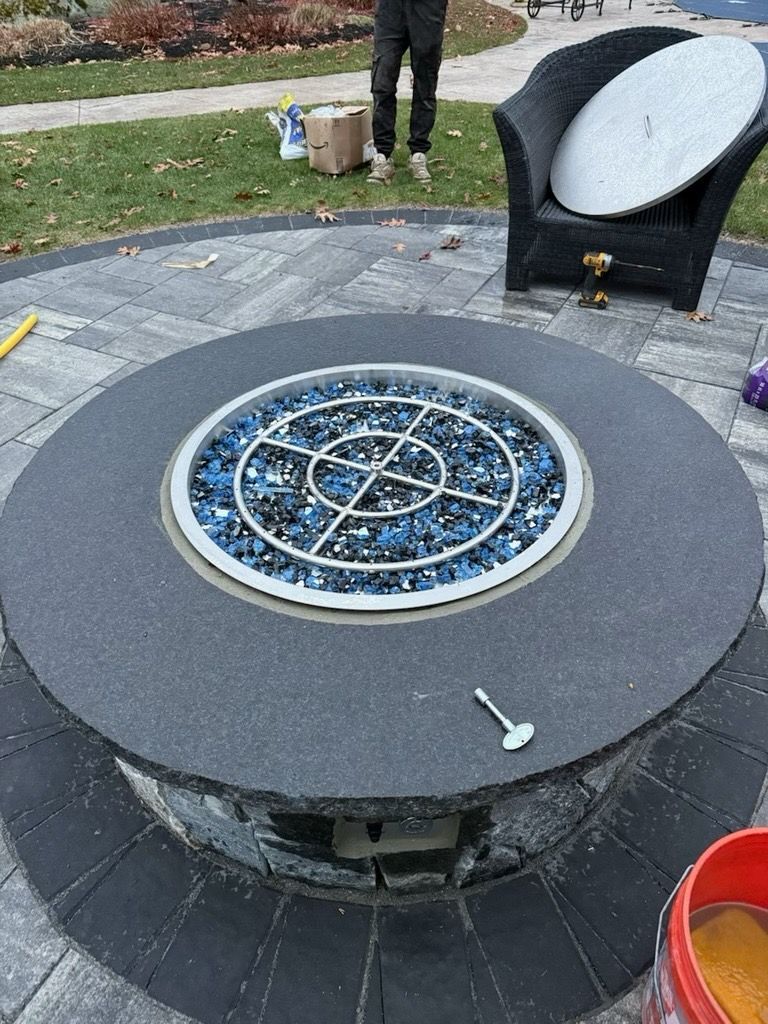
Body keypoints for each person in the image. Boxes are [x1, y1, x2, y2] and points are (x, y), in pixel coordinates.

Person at [367, 0, 448, 186]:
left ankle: (418, 154)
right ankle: (382, 156)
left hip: (428, 9)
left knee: (425, 83)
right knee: (382, 81)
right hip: (390, 9)